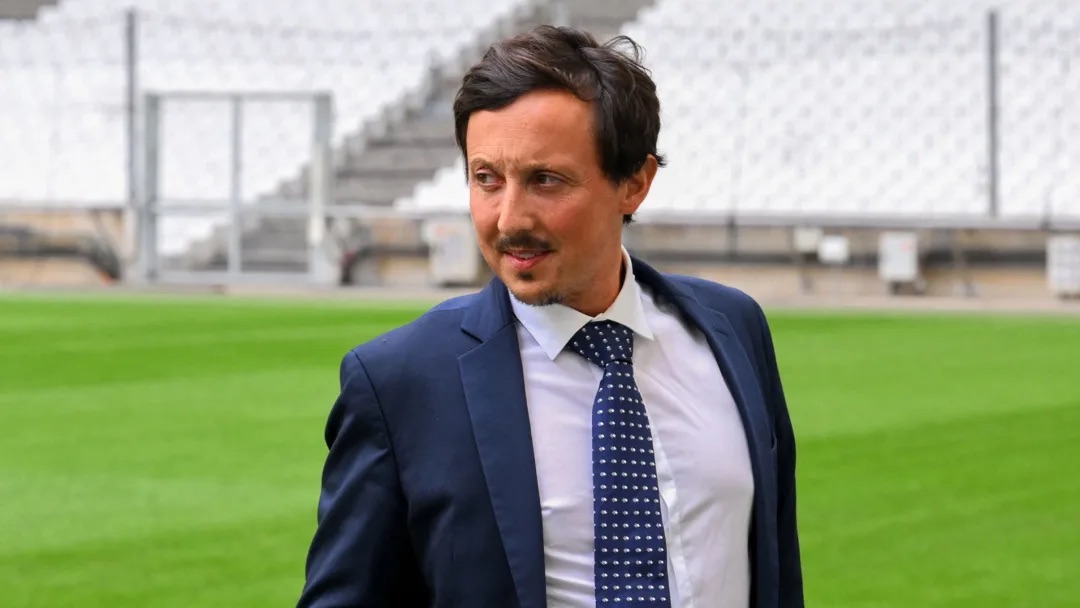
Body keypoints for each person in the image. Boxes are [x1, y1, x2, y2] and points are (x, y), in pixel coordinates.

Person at [297, 24, 803, 608]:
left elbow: (776, 571)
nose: (509, 218)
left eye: (545, 180)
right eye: (486, 179)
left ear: (635, 183)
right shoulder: (399, 382)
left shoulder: (732, 329)